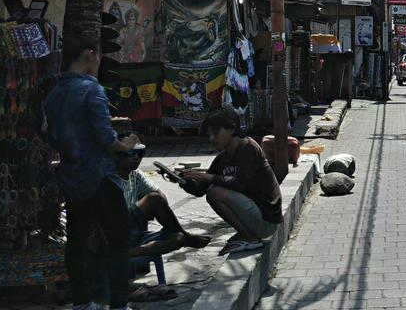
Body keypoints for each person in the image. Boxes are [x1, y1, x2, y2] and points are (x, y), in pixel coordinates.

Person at [44, 33, 153, 310]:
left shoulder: (54, 94)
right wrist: (127, 142)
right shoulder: (91, 90)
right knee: (117, 241)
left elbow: (51, 137)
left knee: (76, 241)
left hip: (72, 177)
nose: (100, 61)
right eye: (100, 55)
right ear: (90, 54)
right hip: (100, 178)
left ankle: (82, 305)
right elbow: (108, 140)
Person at [180, 109, 282, 255]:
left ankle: (248, 237)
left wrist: (206, 177)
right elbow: (200, 190)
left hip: (267, 220)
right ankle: (246, 235)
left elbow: (241, 183)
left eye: (216, 133)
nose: (212, 138)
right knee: (212, 191)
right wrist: (184, 181)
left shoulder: (248, 147)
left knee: (215, 192)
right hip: (253, 216)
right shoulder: (222, 159)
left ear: (232, 128)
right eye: (209, 134)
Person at [115, 147, 212, 259]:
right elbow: (155, 200)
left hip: (134, 236)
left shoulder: (135, 174)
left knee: (179, 238)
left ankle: (130, 253)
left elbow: (162, 199)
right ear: (116, 155)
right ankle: (186, 237)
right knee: (153, 199)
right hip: (116, 231)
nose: (136, 157)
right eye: (130, 152)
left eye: (140, 152)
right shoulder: (109, 177)